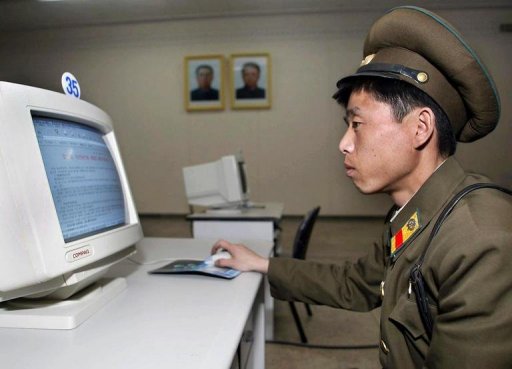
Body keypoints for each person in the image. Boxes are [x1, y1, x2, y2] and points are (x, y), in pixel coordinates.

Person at [211, 6, 512, 369]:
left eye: (357, 124)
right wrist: (261, 264)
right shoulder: (416, 216)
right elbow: (355, 282)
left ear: (420, 128)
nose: (344, 143)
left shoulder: (480, 241)